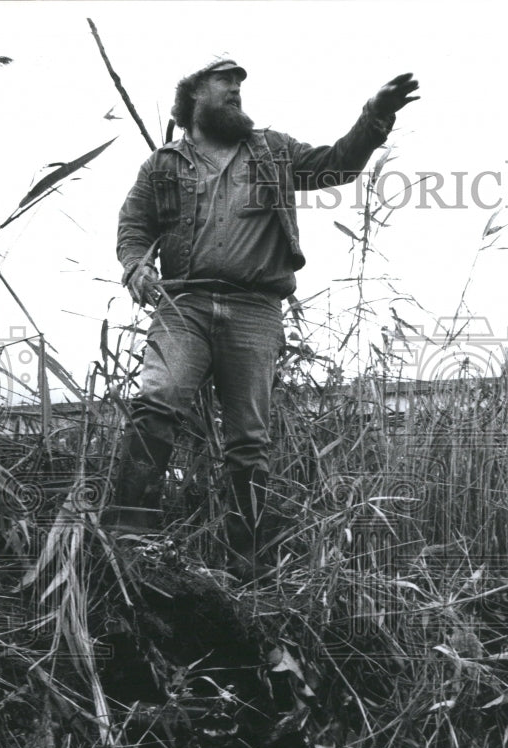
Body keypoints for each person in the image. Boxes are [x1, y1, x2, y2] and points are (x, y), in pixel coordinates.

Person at [110, 55, 419, 578]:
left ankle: (245, 562)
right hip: (184, 305)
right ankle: (127, 537)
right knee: (157, 401)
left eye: (239, 84)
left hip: (255, 309)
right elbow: (133, 227)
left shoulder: (272, 150)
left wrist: (373, 119)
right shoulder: (162, 165)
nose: (235, 89)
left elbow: (333, 166)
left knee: (249, 438)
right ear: (192, 97)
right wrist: (135, 267)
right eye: (224, 82)